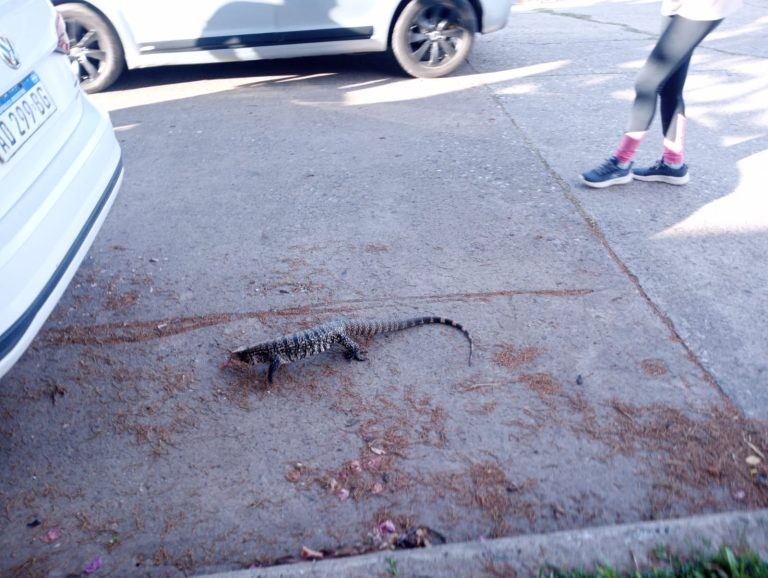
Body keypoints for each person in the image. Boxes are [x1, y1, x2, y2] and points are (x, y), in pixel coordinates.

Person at [580, 0, 742, 189]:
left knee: (647, 82)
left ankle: (621, 163)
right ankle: (673, 164)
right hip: (678, 5)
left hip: (701, 6)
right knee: (670, 85)